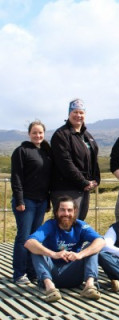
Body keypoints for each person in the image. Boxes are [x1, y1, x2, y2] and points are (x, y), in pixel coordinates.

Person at [24, 196, 105, 302]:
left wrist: (80, 255)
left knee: (92, 248)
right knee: (36, 249)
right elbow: (29, 242)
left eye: (69, 210)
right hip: (51, 274)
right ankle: (50, 288)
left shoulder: (80, 225)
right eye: (62, 210)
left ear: (75, 211)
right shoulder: (50, 225)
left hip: (74, 274)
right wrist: (53, 254)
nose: (66, 214)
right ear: (56, 212)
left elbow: (101, 241)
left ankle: (89, 286)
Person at [11, 120, 53, 284]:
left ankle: (32, 272)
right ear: (29, 134)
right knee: (23, 237)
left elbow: (47, 180)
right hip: (26, 201)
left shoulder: (46, 153)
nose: (38, 135)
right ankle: (19, 273)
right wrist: (20, 200)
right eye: (34, 132)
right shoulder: (21, 151)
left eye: (40, 132)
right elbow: (16, 177)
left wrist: (48, 201)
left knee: (35, 239)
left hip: (41, 201)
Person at [50, 99, 100, 221]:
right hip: (66, 190)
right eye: (75, 112)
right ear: (69, 114)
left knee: (78, 225)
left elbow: (93, 160)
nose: (78, 115)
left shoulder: (87, 136)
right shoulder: (61, 135)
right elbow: (65, 163)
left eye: (81, 113)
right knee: (65, 224)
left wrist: (95, 180)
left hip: (83, 189)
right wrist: (83, 182)